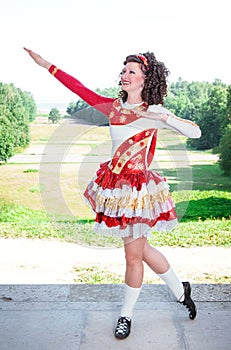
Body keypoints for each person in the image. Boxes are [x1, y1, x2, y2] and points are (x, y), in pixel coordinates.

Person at [24, 48, 201, 340]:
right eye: (124, 71)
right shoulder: (113, 109)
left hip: (139, 192)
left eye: (132, 71)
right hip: (116, 191)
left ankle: (125, 315)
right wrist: (47, 66)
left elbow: (194, 133)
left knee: (132, 255)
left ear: (145, 79)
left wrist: (165, 116)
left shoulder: (153, 113)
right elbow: (78, 88)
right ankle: (181, 291)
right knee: (140, 251)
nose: (125, 75)